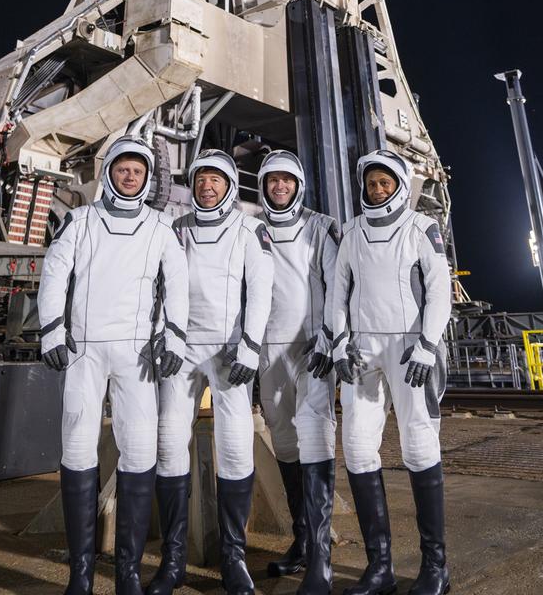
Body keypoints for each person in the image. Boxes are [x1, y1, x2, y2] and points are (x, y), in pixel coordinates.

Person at [38, 135, 188, 595]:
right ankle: (80, 574)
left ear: (147, 177)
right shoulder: (81, 221)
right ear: (110, 174)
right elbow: (54, 272)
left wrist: (174, 335)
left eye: (138, 170)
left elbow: (176, 284)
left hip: (136, 354)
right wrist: (50, 329)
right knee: (77, 450)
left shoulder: (161, 228)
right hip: (84, 350)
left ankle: (128, 574)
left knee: (140, 452)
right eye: (123, 168)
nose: (130, 175)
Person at [151, 149, 274, 595]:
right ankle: (174, 559)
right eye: (201, 179)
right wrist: (166, 336)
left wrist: (250, 346)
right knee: (167, 446)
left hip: (229, 353)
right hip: (180, 351)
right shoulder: (175, 228)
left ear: (228, 186)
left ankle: (233, 558)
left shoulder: (249, 228)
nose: (207, 186)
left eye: (216, 180)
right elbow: (160, 286)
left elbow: (261, 289)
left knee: (237, 449)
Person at [332, 149, 452, 595]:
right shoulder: (351, 233)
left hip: (409, 350)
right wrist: (339, 340)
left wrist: (427, 344)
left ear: (400, 185)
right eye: (371, 184)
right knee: (359, 450)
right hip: (363, 350)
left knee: (419, 447)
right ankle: (379, 567)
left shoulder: (422, 228)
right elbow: (337, 292)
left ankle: (435, 568)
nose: (377, 190)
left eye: (385, 183)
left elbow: (440, 293)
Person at [256, 149, 339, 595]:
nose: (279, 187)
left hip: (312, 350)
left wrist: (330, 336)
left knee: (317, 441)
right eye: (272, 181)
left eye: (286, 181)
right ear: (263, 185)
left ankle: (321, 561)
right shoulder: (252, 228)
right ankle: (302, 541)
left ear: (298, 184)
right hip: (269, 353)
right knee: (285, 445)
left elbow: (336, 286)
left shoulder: (322, 227)